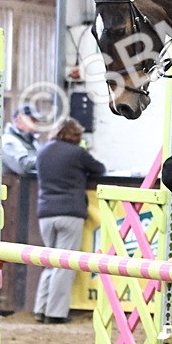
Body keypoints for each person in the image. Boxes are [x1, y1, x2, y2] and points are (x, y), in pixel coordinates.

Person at [33, 118, 106, 324]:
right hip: (70, 212)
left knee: (48, 262)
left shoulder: (43, 151)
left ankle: (40, 308)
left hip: (45, 212)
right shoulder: (77, 153)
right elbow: (99, 169)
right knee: (64, 264)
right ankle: (55, 313)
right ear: (74, 135)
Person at [1, 103, 40, 175]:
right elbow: (22, 165)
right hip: (13, 185)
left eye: (38, 121)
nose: (36, 124)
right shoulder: (8, 141)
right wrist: (47, 161)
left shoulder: (32, 142)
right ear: (19, 119)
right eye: (33, 120)